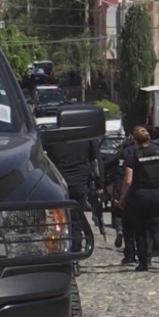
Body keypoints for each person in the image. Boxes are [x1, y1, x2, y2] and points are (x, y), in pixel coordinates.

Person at [42, 112, 103, 264]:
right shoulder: (87, 137)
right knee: (76, 220)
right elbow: (96, 161)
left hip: (58, 183)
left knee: (57, 220)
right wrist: (100, 184)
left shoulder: (52, 137)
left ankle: (60, 252)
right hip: (79, 183)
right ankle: (75, 255)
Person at [116, 126, 159, 272]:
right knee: (156, 225)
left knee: (140, 230)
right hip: (158, 194)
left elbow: (128, 180)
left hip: (139, 196)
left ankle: (143, 263)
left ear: (135, 140)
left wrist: (122, 198)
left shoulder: (134, 155)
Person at [112, 134, 139, 265]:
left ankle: (130, 254)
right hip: (143, 191)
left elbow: (121, 176)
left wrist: (118, 197)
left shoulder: (124, 154)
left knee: (127, 224)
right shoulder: (152, 151)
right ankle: (147, 256)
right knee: (143, 227)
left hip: (127, 191)